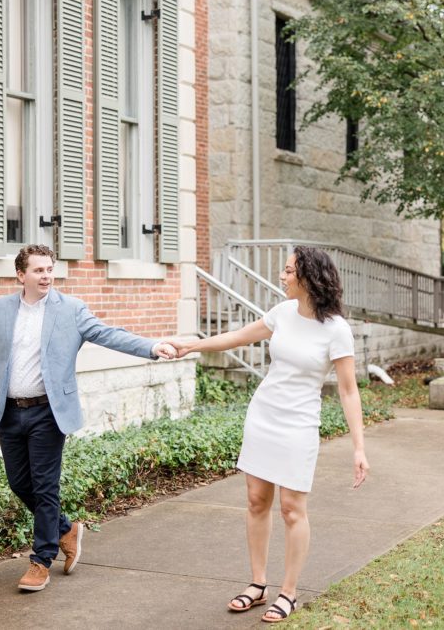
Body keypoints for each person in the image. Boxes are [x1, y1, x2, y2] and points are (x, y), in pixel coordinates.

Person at [165, 245, 369, 623]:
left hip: (298, 424)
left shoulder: (337, 330)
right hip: (264, 415)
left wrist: (359, 447)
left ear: (308, 277)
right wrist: (189, 344)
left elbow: (348, 390)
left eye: (289, 271)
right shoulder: (282, 313)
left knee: (292, 508)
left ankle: (288, 593)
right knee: (257, 501)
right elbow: (237, 337)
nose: (282, 276)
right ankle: (257, 584)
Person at [0, 244, 177, 592]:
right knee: (19, 484)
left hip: (48, 413)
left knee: (44, 488)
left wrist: (151, 346)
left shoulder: (70, 310)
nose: (46, 276)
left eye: (50, 269)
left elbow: (108, 333)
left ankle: (41, 560)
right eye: (38, 270)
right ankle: (66, 528)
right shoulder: (0, 310)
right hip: (9, 413)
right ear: (21, 275)